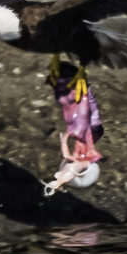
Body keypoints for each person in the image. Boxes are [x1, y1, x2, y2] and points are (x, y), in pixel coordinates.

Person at [43, 62, 104, 195]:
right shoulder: (86, 140)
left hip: (80, 119)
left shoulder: (80, 139)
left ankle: (67, 81)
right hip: (83, 122)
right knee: (81, 111)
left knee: (76, 111)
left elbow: (67, 155)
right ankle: (69, 81)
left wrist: (64, 140)